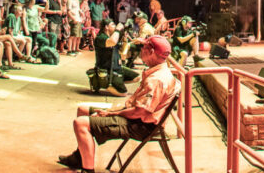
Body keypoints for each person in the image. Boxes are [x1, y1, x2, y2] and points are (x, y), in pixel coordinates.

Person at [58, 34, 181, 173]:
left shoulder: (157, 79)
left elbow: (140, 112)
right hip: (135, 116)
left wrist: (112, 113)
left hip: (140, 125)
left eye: (143, 47)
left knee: (80, 123)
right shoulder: (160, 70)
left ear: (151, 52)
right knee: (82, 109)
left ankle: (88, 170)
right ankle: (79, 157)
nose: (140, 50)